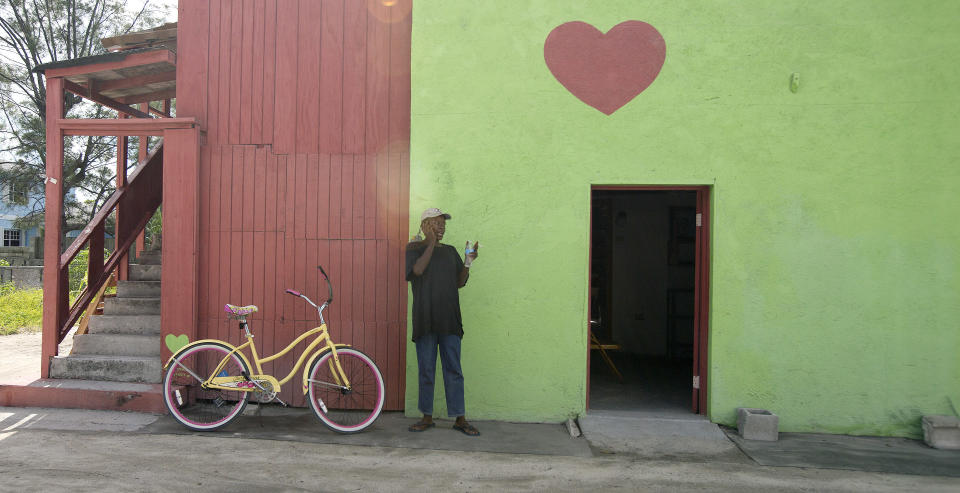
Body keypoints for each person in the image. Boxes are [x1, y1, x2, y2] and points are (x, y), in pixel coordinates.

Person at [405, 207, 480, 436]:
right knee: (426, 369)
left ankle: (460, 418)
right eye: (436, 223)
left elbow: (459, 282)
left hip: (450, 320)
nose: (441, 227)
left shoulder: (450, 251)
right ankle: (426, 417)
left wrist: (467, 262)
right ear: (425, 225)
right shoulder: (414, 248)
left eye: (443, 224)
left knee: (453, 370)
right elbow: (417, 271)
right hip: (425, 320)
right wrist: (428, 242)